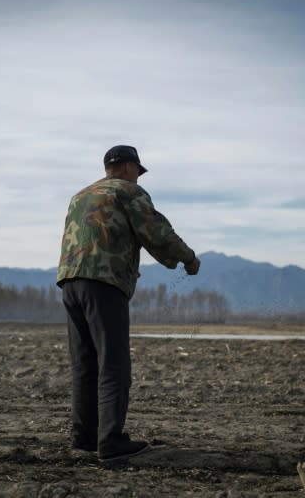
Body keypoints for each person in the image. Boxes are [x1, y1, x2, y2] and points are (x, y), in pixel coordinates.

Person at [56, 144, 201, 462]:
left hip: (70, 282)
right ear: (125, 167)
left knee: (84, 365)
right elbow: (156, 232)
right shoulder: (129, 192)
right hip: (105, 282)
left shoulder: (79, 196)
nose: (138, 176)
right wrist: (188, 258)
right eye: (137, 169)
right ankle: (111, 442)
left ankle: (83, 439)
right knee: (114, 365)